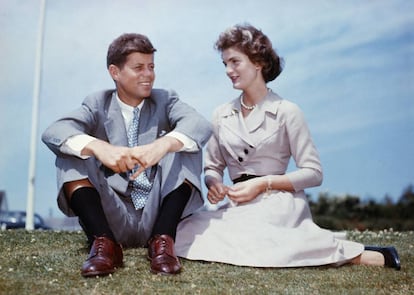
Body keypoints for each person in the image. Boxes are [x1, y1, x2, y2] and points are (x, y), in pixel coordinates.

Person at [175, 24, 400, 270]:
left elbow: (314, 173)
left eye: (235, 62)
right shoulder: (221, 114)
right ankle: (313, 244)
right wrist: (214, 183)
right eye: (225, 64)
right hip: (236, 205)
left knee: (256, 240)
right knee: (184, 232)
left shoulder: (287, 111)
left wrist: (263, 183)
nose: (228, 70)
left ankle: (366, 256)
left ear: (258, 61)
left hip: (277, 201)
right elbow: (213, 167)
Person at [42, 33, 212, 277]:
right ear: (115, 72)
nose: (148, 75)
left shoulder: (165, 100)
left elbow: (200, 125)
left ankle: (164, 244)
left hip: (157, 215)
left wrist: (162, 144)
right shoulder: (96, 103)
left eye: (151, 67)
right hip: (112, 215)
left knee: (183, 143)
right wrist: (99, 147)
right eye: (138, 68)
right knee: (72, 148)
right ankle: (103, 246)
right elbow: (54, 131)